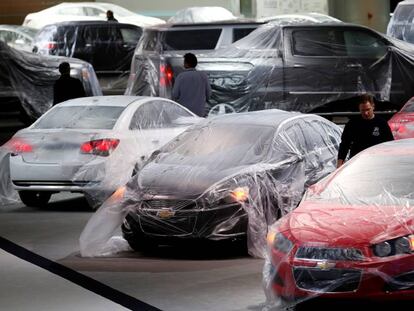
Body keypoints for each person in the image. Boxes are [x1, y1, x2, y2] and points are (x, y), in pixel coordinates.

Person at [337, 93, 394, 168]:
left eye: (368, 109)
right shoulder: (352, 123)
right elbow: (344, 144)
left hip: (377, 161)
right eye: (362, 110)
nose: (365, 113)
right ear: (359, 108)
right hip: (357, 162)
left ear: (373, 106)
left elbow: (390, 144)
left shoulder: (381, 123)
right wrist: (339, 164)